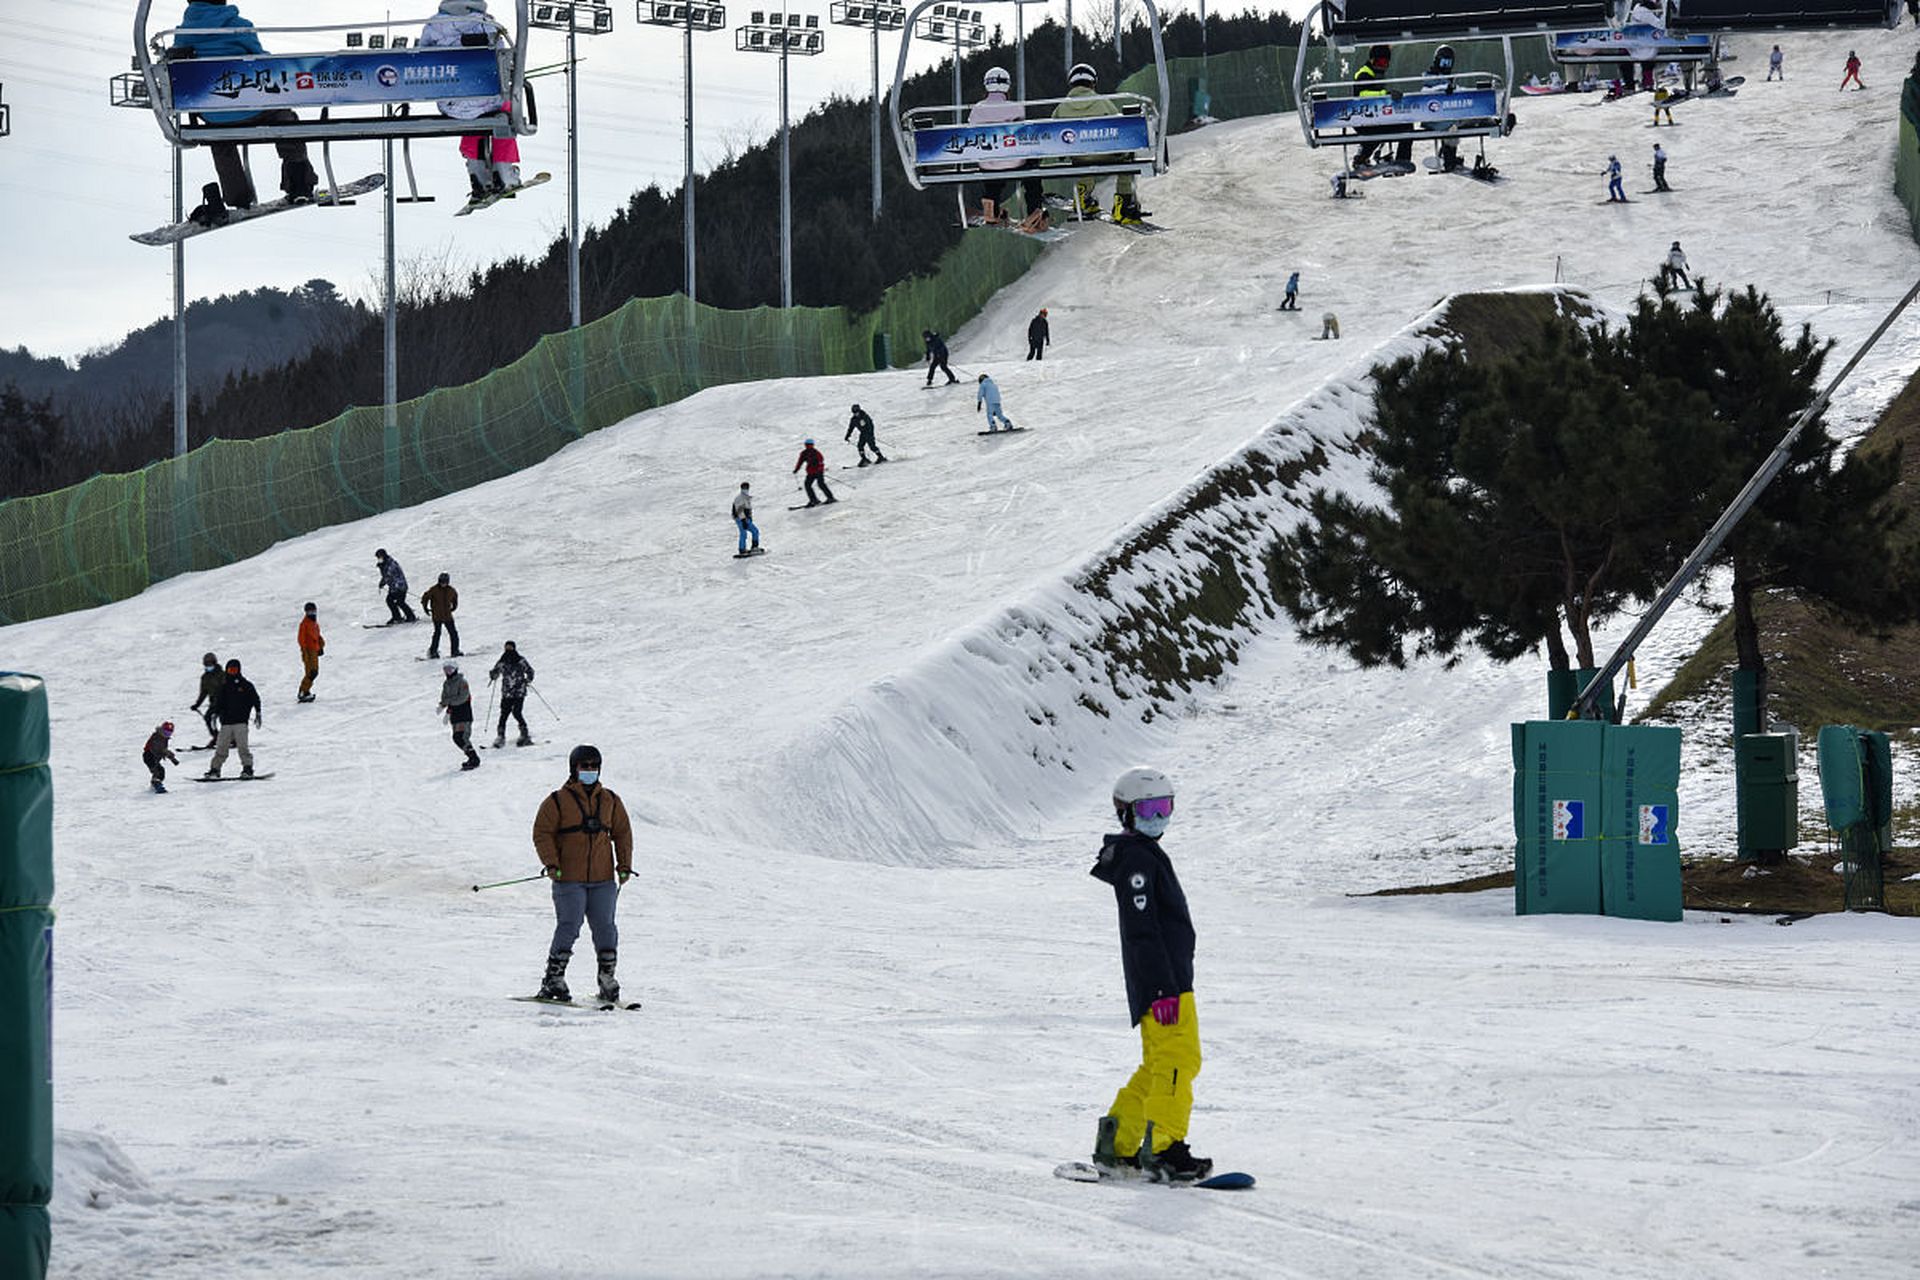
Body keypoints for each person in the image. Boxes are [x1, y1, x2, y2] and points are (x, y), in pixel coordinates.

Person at [1087, 766, 1212, 1183]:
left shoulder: (1143, 854)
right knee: (1178, 1060)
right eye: (1149, 809)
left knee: (1160, 1063)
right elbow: (1143, 932)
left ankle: (1117, 1143)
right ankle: (1164, 1150)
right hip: (1165, 987)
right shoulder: (1138, 860)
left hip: (1171, 982)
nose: (1159, 818)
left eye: (1166, 807)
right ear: (1125, 813)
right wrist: (1162, 989)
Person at [173, 0, 320, 226]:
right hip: (253, 109)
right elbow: (263, 61)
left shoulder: (183, 34)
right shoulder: (240, 27)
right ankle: (299, 181)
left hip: (213, 113)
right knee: (283, 117)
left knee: (219, 137)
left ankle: (236, 197)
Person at [531, 744, 634, 1004]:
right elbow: (542, 833)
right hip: (569, 878)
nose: (589, 771)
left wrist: (624, 864)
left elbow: (622, 833)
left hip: (602, 880)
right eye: (584, 766)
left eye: (594, 767)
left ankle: (607, 979)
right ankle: (554, 979)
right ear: (573, 769)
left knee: (606, 928)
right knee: (569, 926)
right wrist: (551, 863)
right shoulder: (556, 801)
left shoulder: (610, 800)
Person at [419, 0, 523, 200]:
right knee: (504, 109)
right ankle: (503, 169)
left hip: (451, 104)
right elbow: (502, 62)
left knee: (469, 111)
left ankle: (476, 170)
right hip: (486, 99)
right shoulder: (488, 25)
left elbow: (421, 56)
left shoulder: (433, 26)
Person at [1055, 63, 1146, 224]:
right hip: (1106, 155)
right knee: (1127, 158)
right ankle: (1123, 203)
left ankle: (1083, 195)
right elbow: (1119, 127)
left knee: (1082, 153)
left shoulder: (1062, 107)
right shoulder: (1102, 103)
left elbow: (1052, 132)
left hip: (1079, 157)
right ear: (1093, 83)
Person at [968, 67, 1048, 232]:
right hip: (1015, 161)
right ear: (1007, 86)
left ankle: (991, 210)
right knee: (1032, 174)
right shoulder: (1016, 108)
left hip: (988, 163)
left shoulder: (977, 109)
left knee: (991, 174)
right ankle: (1034, 214)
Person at [202, 658, 261, 779]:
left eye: (234, 670)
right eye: (230, 670)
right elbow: (218, 702)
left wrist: (258, 712)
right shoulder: (223, 686)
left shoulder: (246, 685)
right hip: (226, 723)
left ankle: (248, 769)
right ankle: (215, 770)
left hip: (241, 723)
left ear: (239, 670)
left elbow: (255, 699)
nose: (232, 672)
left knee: (243, 748)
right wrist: (214, 714)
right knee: (221, 748)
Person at [1348, 44, 1395, 170]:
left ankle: (1401, 159)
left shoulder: (1377, 74)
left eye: (1386, 63)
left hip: (1374, 116)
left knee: (1405, 126)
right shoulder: (1364, 74)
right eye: (1380, 62)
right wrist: (1385, 94)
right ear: (1372, 60)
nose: (1383, 65)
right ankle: (1360, 159)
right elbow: (1362, 94)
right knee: (1376, 133)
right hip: (1361, 117)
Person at [487, 640, 536, 748]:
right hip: (507, 693)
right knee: (504, 714)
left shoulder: (520, 661)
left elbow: (530, 671)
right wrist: (492, 675)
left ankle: (524, 734)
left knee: (516, 712)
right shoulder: (502, 661)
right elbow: (495, 673)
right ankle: (500, 736)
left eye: (510, 648)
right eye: (507, 648)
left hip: (519, 692)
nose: (508, 650)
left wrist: (528, 680)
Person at [439, 660, 482, 771]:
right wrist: (443, 705)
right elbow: (444, 697)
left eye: (450, 669)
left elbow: (462, 698)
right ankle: (471, 757)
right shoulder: (447, 683)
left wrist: (448, 702)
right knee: (457, 737)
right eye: (446, 670)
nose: (448, 672)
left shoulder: (462, 682)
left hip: (464, 713)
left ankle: (474, 758)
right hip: (454, 715)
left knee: (461, 737)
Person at [422, 571, 462, 659]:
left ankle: (455, 650)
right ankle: (433, 651)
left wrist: (454, 607)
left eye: (444, 582)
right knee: (437, 633)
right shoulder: (434, 589)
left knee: (453, 633)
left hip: (447, 615)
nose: (442, 584)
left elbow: (455, 599)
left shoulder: (451, 590)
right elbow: (425, 597)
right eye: (441, 582)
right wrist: (425, 607)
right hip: (437, 616)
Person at [189, 651, 223, 747]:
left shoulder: (222, 674)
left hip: (224, 702)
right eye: (206, 664)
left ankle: (231, 739)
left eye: (210, 664)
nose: (208, 666)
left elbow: (227, 688)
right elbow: (204, 692)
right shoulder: (205, 677)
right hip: (214, 702)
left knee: (223, 720)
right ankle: (216, 737)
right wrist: (197, 704)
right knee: (208, 717)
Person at [375, 549, 417, 624]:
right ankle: (403, 616)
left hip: (399, 586)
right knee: (396, 601)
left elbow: (388, 576)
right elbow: (386, 576)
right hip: (395, 587)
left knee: (396, 601)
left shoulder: (391, 564)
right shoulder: (386, 563)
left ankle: (403, 616)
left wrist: (382, 582)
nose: (378, 559)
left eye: (379, 557)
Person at [295, 602, 325, 704]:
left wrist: (321, 646)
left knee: (315, 672)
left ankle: (306, 691)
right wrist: (305, 652)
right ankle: (303, 691)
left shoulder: (314, 623)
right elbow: (301, 639)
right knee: (311, 672)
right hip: (308, 651)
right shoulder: (304, 624)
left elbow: (317, 636)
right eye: (310, 611)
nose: (312, 613)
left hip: (314, 651)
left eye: (313, 611)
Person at [793, 438, 836, 507]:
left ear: (812, 445)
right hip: (811, 472)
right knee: (808, 485)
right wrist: (796, 469)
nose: (808, 446)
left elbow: (821, 461)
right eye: (807, 445)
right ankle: (814, 500)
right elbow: (800, 462)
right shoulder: (804, 453)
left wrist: (819, 469)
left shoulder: (815, 453)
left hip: (818, 471)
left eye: (809, 445)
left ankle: (829, 498)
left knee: (820, 484)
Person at [142, 721, 180, 794]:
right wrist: (168, 754)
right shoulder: (157, 737)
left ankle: (155, 784)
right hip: (149, 756)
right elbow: (158, 749)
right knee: (157, 771)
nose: (167, 735)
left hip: (155, 757)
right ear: (162, 730)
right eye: (165, 733)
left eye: (169, 733)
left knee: (161, 771)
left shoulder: (163, 738)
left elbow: (163, 750)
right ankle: (156, 784)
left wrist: (171, 758)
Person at [732, 481, 761, 554]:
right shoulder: (739, 498)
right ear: (741, 488)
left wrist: (749, 518)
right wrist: (743, 520)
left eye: (747, 487)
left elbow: (748, 509)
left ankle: (754, 547)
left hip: (746, 519)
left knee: (755, 531)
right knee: (743, 533)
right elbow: (739, 510)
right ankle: (742, 549)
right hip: (740, 518)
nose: (746, 489)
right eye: (744, 487)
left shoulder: (746, 497)